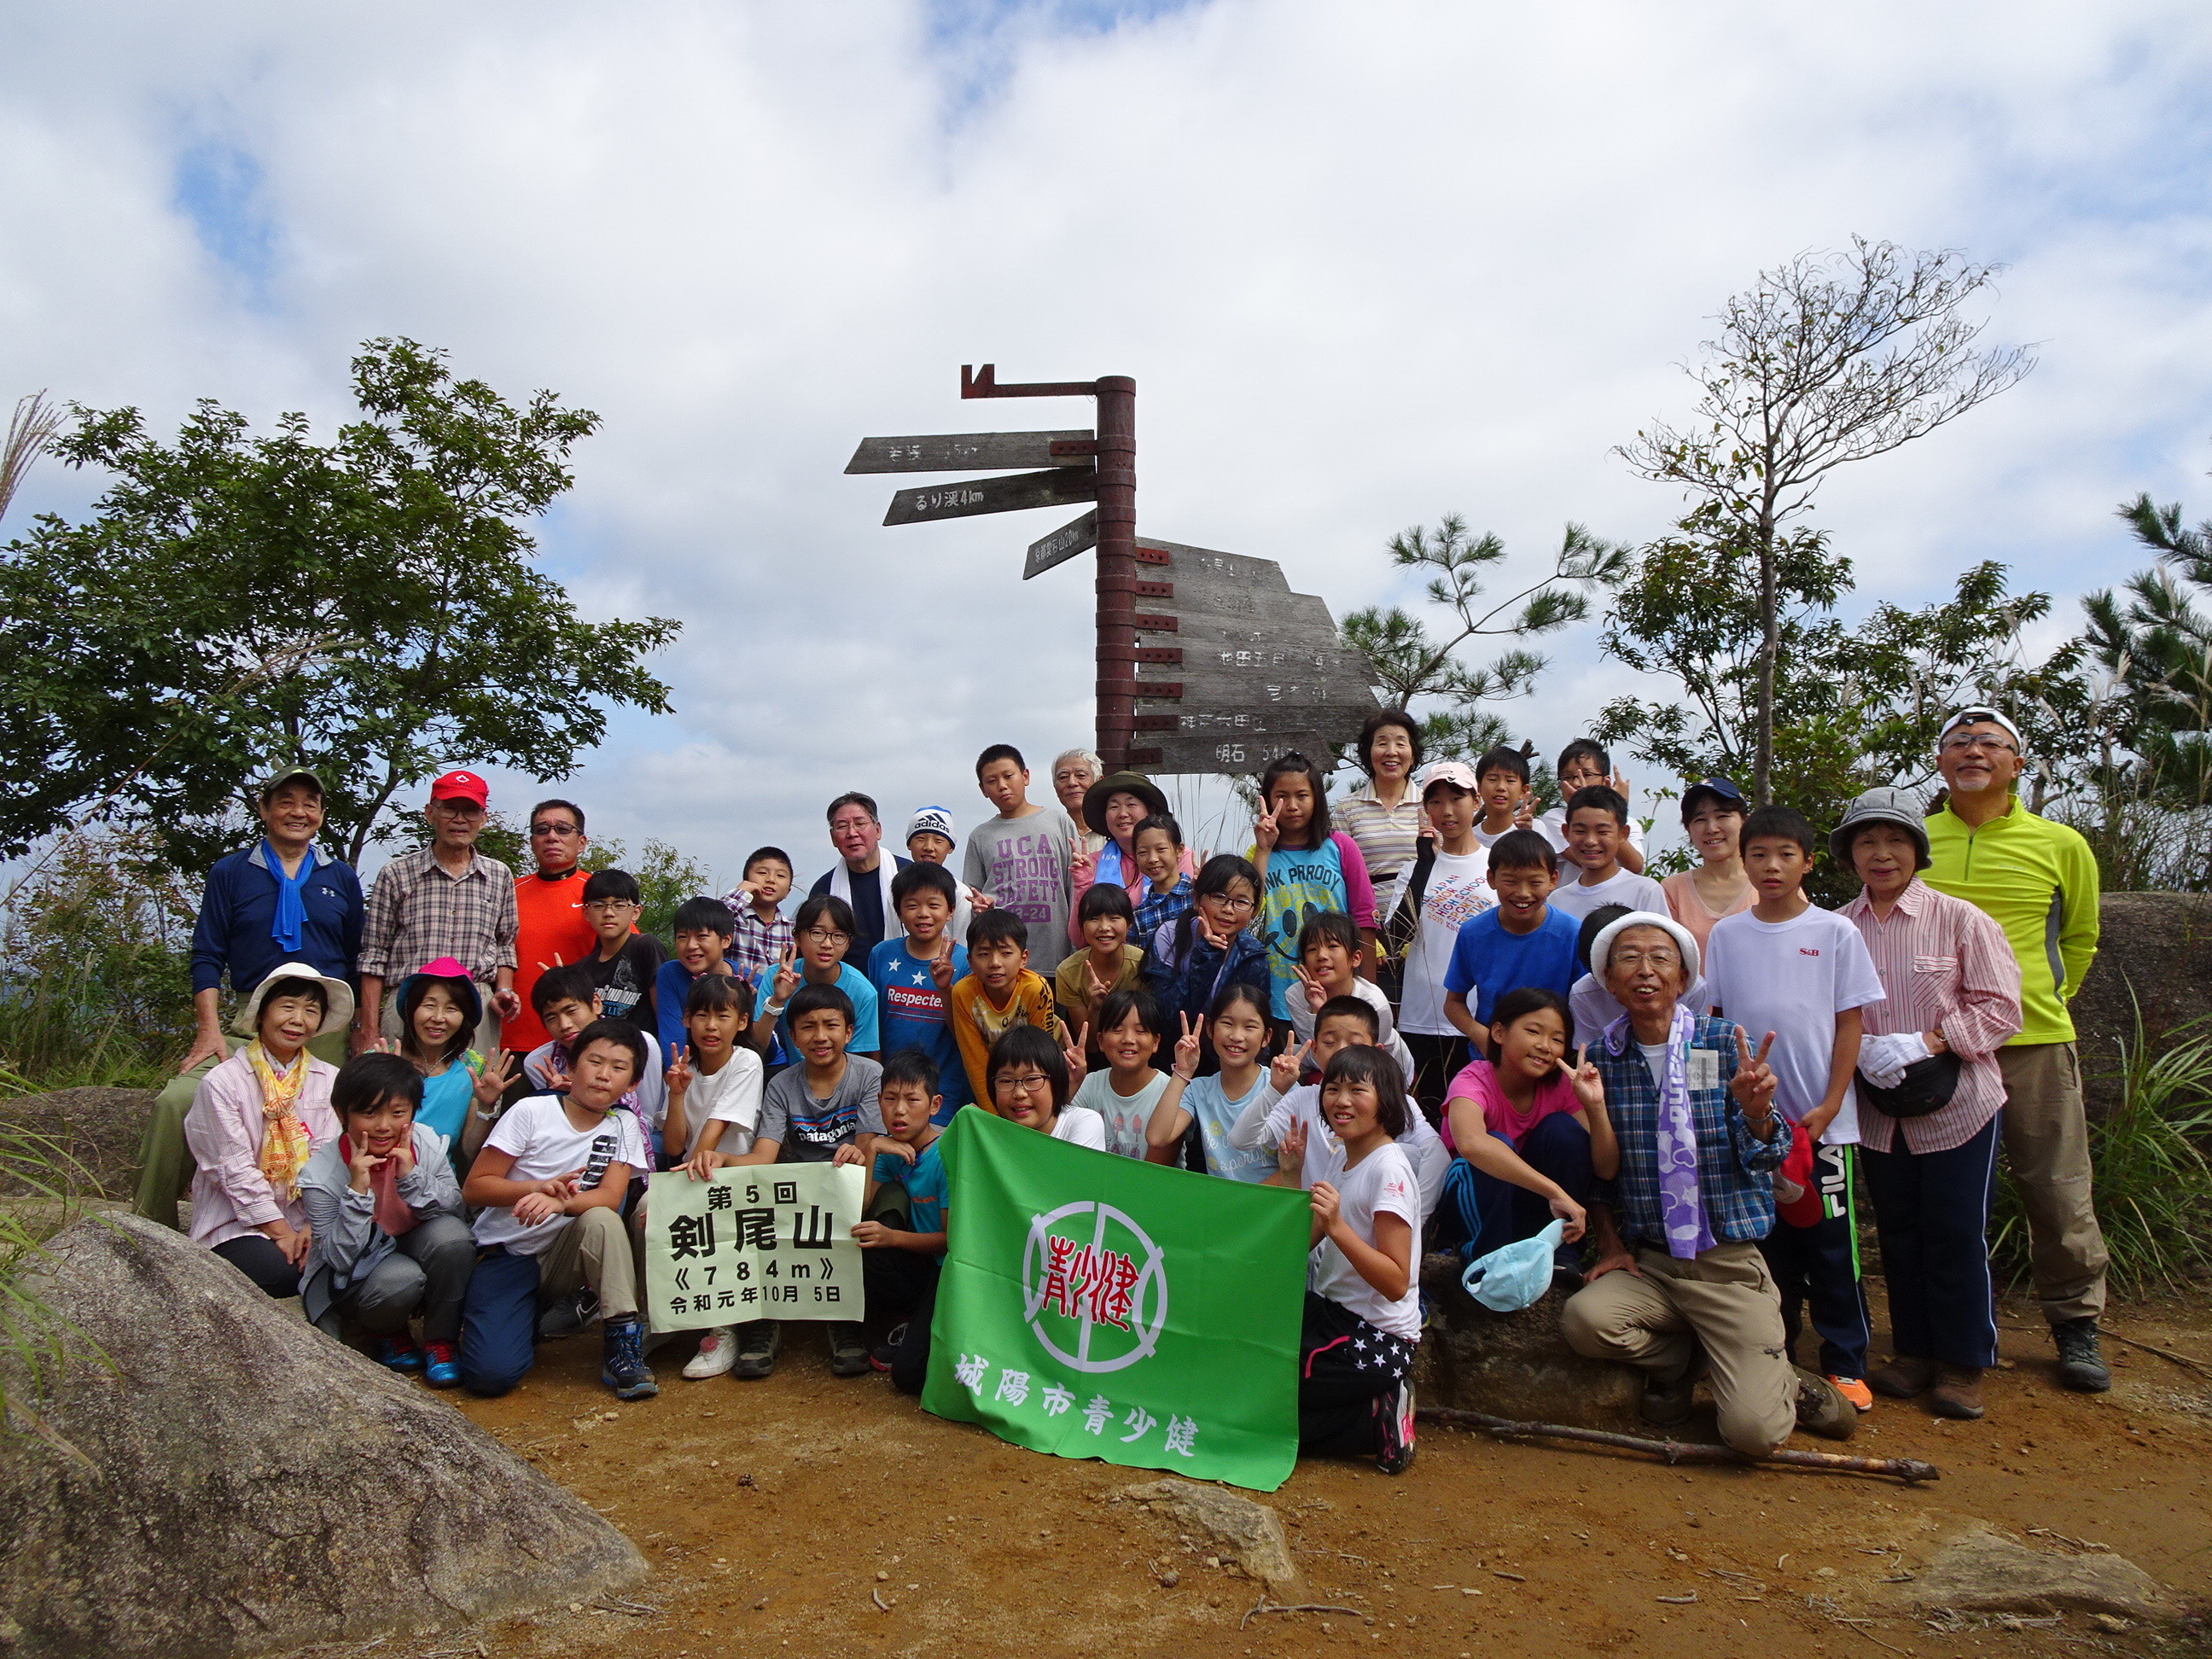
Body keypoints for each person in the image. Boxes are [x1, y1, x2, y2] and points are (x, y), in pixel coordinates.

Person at [1561, 914, 1856, 1453]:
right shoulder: (1603, 1058)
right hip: (1654, 1263)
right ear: (1606, 979)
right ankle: (1691, 1361)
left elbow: (1766, 1156)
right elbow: (1604, 1175)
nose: (1645, 970)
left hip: (1727, 1266)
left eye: (1660, 958)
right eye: (1628, 957)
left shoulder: (1721, 1044)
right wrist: (1610, 1238)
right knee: (1586, 1322)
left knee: (1751, 1436)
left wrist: (1757, 1114)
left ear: (1682, 978)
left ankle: (1786, 1382)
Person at [1921, 705, 2110, 1393]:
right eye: (1959, 742)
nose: (1973, 751)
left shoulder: (2061, 844)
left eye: (1990, 743)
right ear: (1940, 762)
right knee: (1942, 1196)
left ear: (2017, 762)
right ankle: (1941, 1329)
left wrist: (2049, 999)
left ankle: (2076, 1324)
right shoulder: (1916, 840)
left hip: (2032, 1041)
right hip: (1940, 1047)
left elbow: (2081, 937)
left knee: (2055, 1186)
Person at [1835, 788, 2024, 1420]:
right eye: (1866, 841)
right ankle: (1914, 1352)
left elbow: (2002, 1007)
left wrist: (1929, 1039)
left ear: (1917, 849)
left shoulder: (1961, 919)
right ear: (1849, 854)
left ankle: (1964, 1361)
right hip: (1880, 1108)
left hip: (1959, 1103)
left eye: (1894, 841)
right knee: (1899, 1229)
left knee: (1953, 1228)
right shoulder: (1837, 927)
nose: (1881, 854)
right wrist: (1856, 1050)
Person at [1702, 806, 1886, 1412]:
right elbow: (1717, 1020)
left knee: (1832, 1243)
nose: (1771, 866)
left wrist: (1834, 1101)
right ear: (1743, 860)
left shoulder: (1836, 933)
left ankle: (1844, 1361)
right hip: (1753, 1126)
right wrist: (1716, 1099)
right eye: (1759, 855)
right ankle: (1775, 1354)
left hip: (1822, 1123)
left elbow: (1850, 1020)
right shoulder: (1728, 935)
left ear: (1808, 861)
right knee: (1767, 1244)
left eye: (1785, 854)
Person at [137, 767, 362, 1230]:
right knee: (176, 1101)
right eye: (285, 801)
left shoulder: (338, 877)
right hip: (250, 1017)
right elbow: (207, 953)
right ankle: (150, 1227)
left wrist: (361, 1028)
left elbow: (358, 957)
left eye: (309, 803)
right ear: (264, 809)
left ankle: (321, 1231)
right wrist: (208, 1029)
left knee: (329, 1114)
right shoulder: (232, 872)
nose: (298, 812)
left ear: (321, 814)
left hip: (324, 1022)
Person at [457, 1019, 655, 1400]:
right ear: (571, 1065)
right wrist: (535, 1188)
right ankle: (523, 1318)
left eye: (618, 1068)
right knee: (491, 1376)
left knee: (602, 1220)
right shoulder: (532, 1111)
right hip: (508, 1254)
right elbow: (475, 1188)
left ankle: (622, 1344)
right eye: (594, 1062)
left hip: (564, 1255)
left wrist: (558, 1202)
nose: (603, 1075)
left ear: (632, 1084)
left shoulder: (623, 1124)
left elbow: (610, 1197)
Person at [725, 982, 884, 1380]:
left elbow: (869, 1151)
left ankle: (844, 1319)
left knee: (865, 1218)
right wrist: (721, 1160)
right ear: (792, 1036)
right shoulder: (781, 1084)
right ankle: (765, 1321)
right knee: (756, 1210)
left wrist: (854, 1183)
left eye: (831, 1025)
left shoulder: (870, 1075)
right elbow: (763, 1156)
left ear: (850, 1032)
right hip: (798, 1189)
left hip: (852, 1183)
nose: (820, 1036)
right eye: (808, 1027)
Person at [1277, 1045, 1422, 1476]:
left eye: (1357, 1089)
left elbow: (1397, 1282)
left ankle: (1374, 1420)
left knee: (1270, 1406)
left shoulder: (1388, 1170)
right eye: (1333, 1088)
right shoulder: (1345, 1156)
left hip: (1375, 1337)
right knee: (1248, 1373)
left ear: (1388, 1102)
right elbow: (1297, 1245)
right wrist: (1290, 1175)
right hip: (1333, 1315)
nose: (1341, 1100)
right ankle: (1369, 1406)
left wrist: (1338, 1226)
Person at [299, 1051, 475, 1386]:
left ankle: (441, 1340)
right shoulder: (321, 1174)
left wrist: (412, 1178)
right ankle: (387, 1332)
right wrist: (357, 1194)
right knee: (401, 1278)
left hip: (411, 1239)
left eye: (398, 1113)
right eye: (369, 1113)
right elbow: (336, 1260)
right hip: (361, 1269)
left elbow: (455, 1210)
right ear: (342, 1113)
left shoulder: (423, 1141)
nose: (384, 1126)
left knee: (453, 1240)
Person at [183, 963, 349, 1297]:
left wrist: (310, 1226)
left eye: (310, 1010)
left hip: (309, 1221)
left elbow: (328, 1160)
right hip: (236, 1223)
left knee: (350, 1262)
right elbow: (233, 1170)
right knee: (286, 1273)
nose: (298, 1019)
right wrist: (281, 1232)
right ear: (261, 1013)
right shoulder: (223, 1082)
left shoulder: (331, 1080)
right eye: (287, 1006)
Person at [1435, 988, 1610, 1272]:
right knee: (1495, 1142)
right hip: (1472, 1208)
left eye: (1557, 1039)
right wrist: (1554, 1191)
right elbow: (1472, 1144)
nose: (1545, 1046)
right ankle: (1484, 1259)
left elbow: (1606, 1168)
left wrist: (1595, 1104)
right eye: (1533, 1031)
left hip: (1531, 1206)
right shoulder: (1472, 1080)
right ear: (1499, 1033)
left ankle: (1561, 1254)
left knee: (1564, 1131)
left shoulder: (1563, 1088)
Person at [1227, 997, 1451, 1218]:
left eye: (1355, 1044)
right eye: (1330, 1042)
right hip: (1312, 1230)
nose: (1341, 1052)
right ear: (1314, 1049)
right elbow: (1241, 1139)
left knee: (1408, 1153)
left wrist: (1414, 1216)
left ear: (1377, 1050)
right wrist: (1275, 1090)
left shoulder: (1396, 1102)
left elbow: (1436, 1155)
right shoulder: (1301, 1099)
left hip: (1370, 1232)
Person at [354, 770, 520, 1055]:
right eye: (449, 809)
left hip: (474, 1004)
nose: (459, 819)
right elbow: (374, 956)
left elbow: (505, 944)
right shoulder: (396, 874)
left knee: (474, 1093)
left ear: (483, 818)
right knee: (398, 1095)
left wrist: (503, 991)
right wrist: (369, 1031)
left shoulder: (499, 875)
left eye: (470, 811)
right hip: (409, 1001)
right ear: (430, 813)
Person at [663, 976, 770, 1381]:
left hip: (733, 1174)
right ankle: (657, 1313)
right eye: (702, 1015)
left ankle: (722, 1328)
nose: (711, 1026)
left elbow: (714, 1132)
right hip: (691, 1172)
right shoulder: (682, 1070)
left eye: (722, 1016)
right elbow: (674, 1145)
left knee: (713, 1221)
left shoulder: (746, 1062)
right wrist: (675, 1094)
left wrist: (684, 1186)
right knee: (644, 1213)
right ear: (687, 1019)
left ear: (741, 1022)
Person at [1380, 760, 1496, 1115]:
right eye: (1435, 802)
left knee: (1479, 1117)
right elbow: (1396, 934)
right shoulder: (1414, 869)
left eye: (1457, 798)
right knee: (1427, 1117)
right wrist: (1424, 867)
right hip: (1422, 1016)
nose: (1446, 811)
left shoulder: (1496, 864)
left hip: (1480, 1017)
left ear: (1476, 802)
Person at [839, 1048, 947, 1391]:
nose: (899, 1110)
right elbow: (861, 1210)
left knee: (908, 1376)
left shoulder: (947, 1153)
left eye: (912, 1100)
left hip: (949, 1266)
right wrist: (871, 1150)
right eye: (890, 1099)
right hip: (919, 1263)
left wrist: (892, 1237)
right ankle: (908, 1320)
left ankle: (926, 1329)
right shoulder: (889, 1147)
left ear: (934, 1105)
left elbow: (953, 1239)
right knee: (866, 1237)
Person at [1250, 752, 1377, 1019]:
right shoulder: (1257, 853)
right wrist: (1263, 850)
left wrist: (1369, 989)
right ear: (1268, 799)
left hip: (1338, 992)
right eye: (1281, 797)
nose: (1292, 806)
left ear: (1317, 797)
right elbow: (1250, 913)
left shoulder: (1341, 847)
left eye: (1302, 795)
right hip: (1277, 990)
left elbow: (1364, 918)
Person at [1442, 829, 1580, 1062]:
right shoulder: (1474, 933)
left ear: (1553, 880)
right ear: (1492, 878)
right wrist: (1481, 1035)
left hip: (1550, 1061)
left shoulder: (1571, 933)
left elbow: (1585, 1005)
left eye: (1535, 882)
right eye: (1510, 881)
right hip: (1491, 1059)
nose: (1523, 893)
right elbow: (1453, 1003)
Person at [520, 966, 667, 1167]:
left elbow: (648, 1118)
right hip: (570, 1145)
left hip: (640, 1137)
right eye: (551, 1018)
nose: (565, 1025)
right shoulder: (539, 1062)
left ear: (596, 1004)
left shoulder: (641, 1044)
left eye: (571, 1011)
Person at [503, 799, 601, 1066]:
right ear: (532, 841)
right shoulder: (507, 891)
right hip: (512, 1039)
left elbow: (626, 957)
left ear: (581, 842)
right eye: (542, 830)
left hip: (579, 1042)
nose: (552, 837)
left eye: (563, 829)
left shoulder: (599, 893)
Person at [1144, 985, 1278, 1179]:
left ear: (1266, 1037)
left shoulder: (1278, 1087)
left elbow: (1294, 1168)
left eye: (1250, 1026)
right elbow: (1157, 1137)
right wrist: (1182, 1072)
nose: (1236, 1036)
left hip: (1271, 1206)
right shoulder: (1200, 1090)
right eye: (1227, 1023)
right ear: (1210, 1028)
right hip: (1218, 1204)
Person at [963, 747, 1079, 974]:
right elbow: (972, 896)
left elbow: (1074, 887)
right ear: (983, 789)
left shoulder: (1058, 822)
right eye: (992, 781)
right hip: (1002, 965)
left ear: (1025, 776)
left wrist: (1077, 947)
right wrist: (979, 907)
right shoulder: (980, 836)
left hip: (1055, 958)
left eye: (1008, 776)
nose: (1002, 786)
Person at [1143, 853, 1271, 1058]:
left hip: (1226, 1061)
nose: (1228, 909)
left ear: (1253, 910)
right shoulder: (1170, 935)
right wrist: (1207, 954)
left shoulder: (1253, 956)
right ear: (1196, 899)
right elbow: (1166, 1016)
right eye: (1219, 897)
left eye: (1241, 902)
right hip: (1172, 1055)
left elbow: (1255, 1027)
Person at [869, 862, 970, 1119]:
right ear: (899, 912)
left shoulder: (966, 962)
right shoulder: (881, 954)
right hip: (892, 1095)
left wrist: (945, 990)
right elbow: (873, 1027)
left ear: (951, 911)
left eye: (934, 905)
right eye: (912, 905)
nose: (923, 914)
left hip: (945, 1095)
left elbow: (964, 1035)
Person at [387, 957, 509, 1162]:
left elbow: (470, 1151)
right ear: (411, 1009)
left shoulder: (474, 1068)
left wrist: (486, 1107)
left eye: (451, 1009)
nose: (438, 1017)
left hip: (437, 1184)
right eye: (429, 1005)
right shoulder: (382, 1058)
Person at [1073, 771, 1198, 948]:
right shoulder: (1092, 863)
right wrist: (1082, 884)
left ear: (1150, 811)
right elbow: (1079, 940)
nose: (1123, 813)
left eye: (1131, 804)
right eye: (1114, 807)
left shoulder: (1179, 856)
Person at [750, 894, 881, 1064]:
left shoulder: (863, 992)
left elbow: (860, 1060)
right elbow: (756, 1047)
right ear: (797, 937)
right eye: (817, 933)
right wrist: (777, 1001)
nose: (827, 944)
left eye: (838, 935)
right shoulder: (778, 977)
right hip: (792, 1079)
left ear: (849, 942)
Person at [949, 909, 1061, 1107]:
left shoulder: (1036, 989)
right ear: (970, 961)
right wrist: (995, 1120)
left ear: (1024, 958)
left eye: (1006, 953)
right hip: (996, 1079)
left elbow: (1041, 1060)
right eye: (983, 954)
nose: (995, 963)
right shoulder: (963, 993)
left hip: (1037, 1077)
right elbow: (976, 1064)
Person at [1287, 912, 1414, 1084]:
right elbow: (1316, 1051)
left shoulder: (1374, 1003)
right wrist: (1316, 1010)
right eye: (1312, 949)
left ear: (1355, 958)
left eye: (1332, 946)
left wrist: (1324, 1012)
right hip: (1327, 1065)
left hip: (1384, 1069)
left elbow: (1368, 1058)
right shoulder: (1296, 996)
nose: (1321, 955)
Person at [808, 793, 911, 961]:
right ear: (833, 837)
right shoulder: (824, 889)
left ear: (878, 830)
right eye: (842, 826)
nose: (852, 833)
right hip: (845, 982)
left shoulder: (910, 875)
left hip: (903, 978)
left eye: (860, 823)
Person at [1070, 987, 1170, 1159]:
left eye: (1140, 1031)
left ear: (1156, 1042)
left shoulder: (1169, 1091)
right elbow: (1062, 1138)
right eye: (1117, 1030)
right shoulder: (1089, 1084)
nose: (1128, 1039)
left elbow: (1158, 1171)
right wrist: (1071, 1086)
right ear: (1100, 1041)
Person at [1334, 708, 1425, 896]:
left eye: (1401, 744)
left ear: (1413, 753)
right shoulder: (1347, 808)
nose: (1391, 752)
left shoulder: (1431, 804)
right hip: (1367, 918)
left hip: (1425, 916)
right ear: (1368, 752)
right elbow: (1340, 871)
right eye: (1382, 743)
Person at [1550, 785, 1667, 926]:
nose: (1590, 841)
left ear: (1623, 834)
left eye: (1603, 832)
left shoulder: (1645, 891)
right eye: (1580, 831)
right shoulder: (1556, 900)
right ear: (1566, 833)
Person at [1662, 777, 1754, 957]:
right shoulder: (1671, 890)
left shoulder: (1770, 883)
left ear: (1746, 822)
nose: (1711, 828)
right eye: (1700, 819)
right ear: (1688, 830)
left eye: (1722, 816)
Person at [986, 1022, 1107, 1150]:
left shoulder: (1084, 1123)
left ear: (1056, 1081)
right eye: (1006, 1081)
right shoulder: (988, 1136)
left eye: (1032, 1079)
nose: (1019, 1093)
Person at [1537, 739, 1647, 874]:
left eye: (1587, 775)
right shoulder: (1555, 818)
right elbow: (1589, 862)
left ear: (1605, 781)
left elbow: (1635, 866)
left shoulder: (1630, 824)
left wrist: (1618, 810)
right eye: (1567, 777)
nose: (1576, 783)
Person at [577, 869, 667, 1034]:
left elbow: (664, 1014)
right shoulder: (582, 968)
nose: (609, 913)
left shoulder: (645, 947)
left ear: (636, 912)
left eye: (619, 905)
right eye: (598, 905)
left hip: (643, 1053)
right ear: (586, 913)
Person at [1055, 882, 1144, 1045]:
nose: (1104, 927)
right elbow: (1089, 1045)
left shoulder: (1142, 965)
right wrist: (1095, 1008)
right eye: (1094, 919)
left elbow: (1147, 1031)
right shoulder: (1068, 972)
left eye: (1114, 918)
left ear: (1129, 923)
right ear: (1081, 925)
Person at [657, 897, 740, 1062]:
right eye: (682, 937)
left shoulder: (749, 981)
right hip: (689, 1069)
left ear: (726, 940)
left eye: (701, 936)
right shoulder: (670, 973)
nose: (691, 945)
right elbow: (673, 1040)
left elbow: (761, 1046)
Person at [905, 806, 987, 945]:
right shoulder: (898, 889)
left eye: (938, 841)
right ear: (909, 844)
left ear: (950, 848)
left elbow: (962, 946)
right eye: (920, 838)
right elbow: (891, 936)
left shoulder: (960, 894)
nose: (929, 847)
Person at [720, 847, 796, 987]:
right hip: (735, 999)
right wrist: (740, 893)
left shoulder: (793, 929)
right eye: (762, 873)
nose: (771, 880)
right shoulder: (735, 919)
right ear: (746, 881)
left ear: (788, 891)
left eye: (780, 876)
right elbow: (711, 920)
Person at [1129, 812, 1195, 944]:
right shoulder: (1139, 916)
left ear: (1179, 850)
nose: (1153, 859)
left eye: (1161, 849)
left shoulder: (1197, 897)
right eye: (1143, 852)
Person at [1051, 747, 1107, 856]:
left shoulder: (1115, 830)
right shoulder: (1050, 833)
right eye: (1063, 777)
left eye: (1081, 775)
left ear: (1099, 782)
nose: (1072, 783)